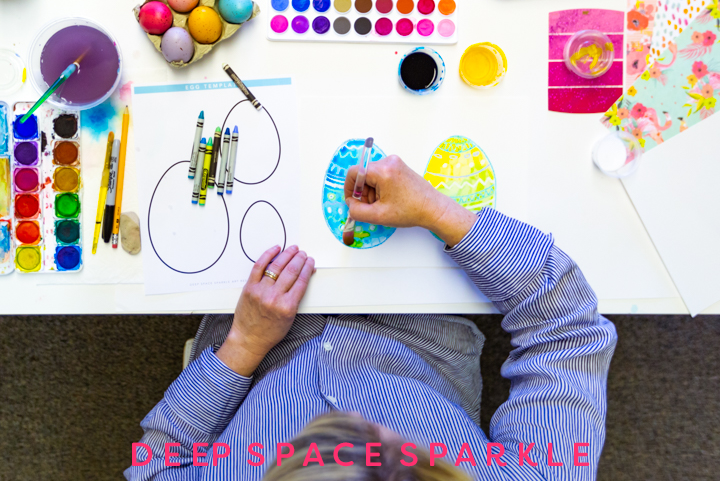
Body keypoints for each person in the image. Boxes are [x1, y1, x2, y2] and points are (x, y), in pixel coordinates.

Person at [126, 155, 617, 480]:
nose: (343, 418)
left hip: (254, 333)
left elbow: (154, 464)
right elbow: (565, 324)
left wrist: (242, 347)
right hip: (422, 322)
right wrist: (437, 210)